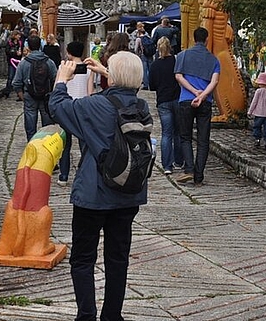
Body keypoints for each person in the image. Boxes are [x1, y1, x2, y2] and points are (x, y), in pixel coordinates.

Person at [48, 51, 148, 321]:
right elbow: (125, 92)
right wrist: (110, 73)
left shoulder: (95, 106)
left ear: (111, 78)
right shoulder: (141, 107)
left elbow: (58, 107)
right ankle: (112, 316)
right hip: (129, 194)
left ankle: (86, 315)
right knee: (117, 259)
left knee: (83, 259)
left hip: (93, 194)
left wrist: (61, 79)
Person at [174, 26, 220, 186]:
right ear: (207, 40)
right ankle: (199, 176)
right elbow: (214, 82)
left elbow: (178, 76)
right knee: (203, 140)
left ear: (194, 39)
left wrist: (194, 92)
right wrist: (203, 95)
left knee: (185, 136)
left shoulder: (183, 55)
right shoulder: (214, 60)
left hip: (186, 99)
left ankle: (189, 168)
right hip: (205, 103)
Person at [57, 41, 94, 186]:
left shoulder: (63, 67)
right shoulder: (89, 69)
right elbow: (90, 92)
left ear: (69, 52)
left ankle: (63, 175)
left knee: (65, 144)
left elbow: (57, 87)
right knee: (84, 144)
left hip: (66, 107)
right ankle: (83, 173)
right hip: (83, 108)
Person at [148, 36, 183, 175]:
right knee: (178, 132)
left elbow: (152, 85)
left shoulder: (155, 65)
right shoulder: (176, 61)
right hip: (177, 98)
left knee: (166, 133)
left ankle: (167, 165)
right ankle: (179, 160)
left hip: (163, 100)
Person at [13, 35, 58, 141]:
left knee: (30, 128)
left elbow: (16, 83)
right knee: (47, 127)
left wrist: (23, 96)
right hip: (46, 96)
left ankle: (31, 146)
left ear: (28, 46)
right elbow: (56, 79)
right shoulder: (49, 62)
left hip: (29, 95)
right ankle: (46, 147)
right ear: (40, 46)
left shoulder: (24, 63)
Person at [131, 21, 153, 89]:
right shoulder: (146, 34)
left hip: (142, 54)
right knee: (150, 70)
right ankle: (151, 84)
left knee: (144, 70)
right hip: (150, 54)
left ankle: (146, 85)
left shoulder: (135, 35)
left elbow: (134, 47)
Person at [3, 30, 22, 97]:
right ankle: (7, 91)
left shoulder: (20, 43)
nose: (19, 36)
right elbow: (7, 51)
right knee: (10, 76)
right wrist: (14, 53)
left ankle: (18, 93)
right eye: (18, 35)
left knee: (18, 77)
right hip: (11, 61)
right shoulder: (9, 43)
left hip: (18, 61)